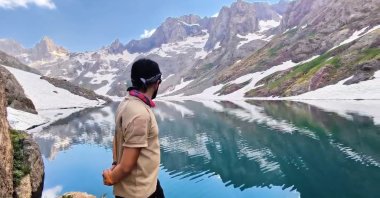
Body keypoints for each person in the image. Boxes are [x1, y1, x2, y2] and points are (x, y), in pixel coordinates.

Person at [102, 59, 165, 198]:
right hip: (140, 192)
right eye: (159, 81)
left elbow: (118, 138)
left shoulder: (126, 103)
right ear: (155, 83)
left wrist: (114, 163)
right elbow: (127, 165)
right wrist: (111, 177)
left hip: (146, 183)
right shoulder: (139, 114)